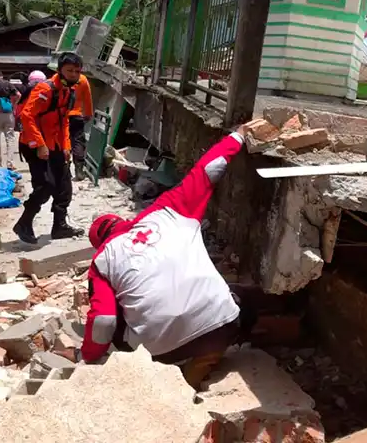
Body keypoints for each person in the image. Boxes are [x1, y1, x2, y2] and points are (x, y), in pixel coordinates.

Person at [81, 121, 259, 389]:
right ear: (122, 222)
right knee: (233, 296)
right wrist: (238, 136)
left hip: (162, 352)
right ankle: (212, 354)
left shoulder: (102, 261)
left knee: (117, 309)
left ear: (100, 244)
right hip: (221, 328)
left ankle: (169, 376)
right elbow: (209, 169)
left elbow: (104, 321)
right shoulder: (168, 210)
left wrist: (88, 357)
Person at [13, 53, 85, 244]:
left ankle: (59, 226)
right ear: (60, 70)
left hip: (56, 144)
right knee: (45, 186)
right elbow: (27, 116)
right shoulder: (45, 89)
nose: (73, 74)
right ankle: (24, 223)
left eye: (77, 71)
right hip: (34, 144)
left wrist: (66, 146)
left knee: (64, 186)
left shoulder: (69, 91)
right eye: (69, 70)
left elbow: (64, 121)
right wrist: (40, 145)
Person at [67, 73, 93, 180]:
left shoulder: (62, 77)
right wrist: (88, 114)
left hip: (63, 116)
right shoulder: (82, 79)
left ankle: (66, 170)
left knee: (64, 141)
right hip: (77, 115)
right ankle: (79, 171)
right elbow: (88, 98)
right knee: (78, 142)